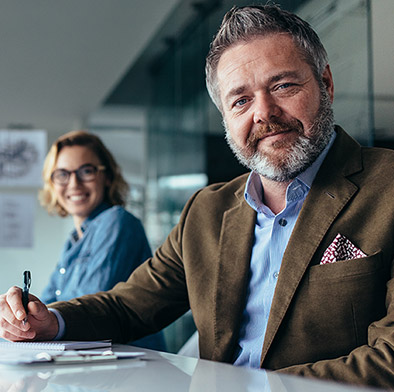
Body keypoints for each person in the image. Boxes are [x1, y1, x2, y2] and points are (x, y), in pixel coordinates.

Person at [0, 4, 393, 389]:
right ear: (225, 118)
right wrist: (50, 321)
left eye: (283, 85)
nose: (264, 112)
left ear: (326, 83)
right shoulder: (206, 211)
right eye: (240, 100)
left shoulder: (387, 187)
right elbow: (129, 306)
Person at [38, 130, 165, 350]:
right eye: (62, 174)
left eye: (86, 171)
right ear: (52, 183)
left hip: (131, 371)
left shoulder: (117, 222)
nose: (74, 183)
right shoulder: (74, 240)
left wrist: (40, 320)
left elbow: (82, 309)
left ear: (107, 177)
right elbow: (47, 306)